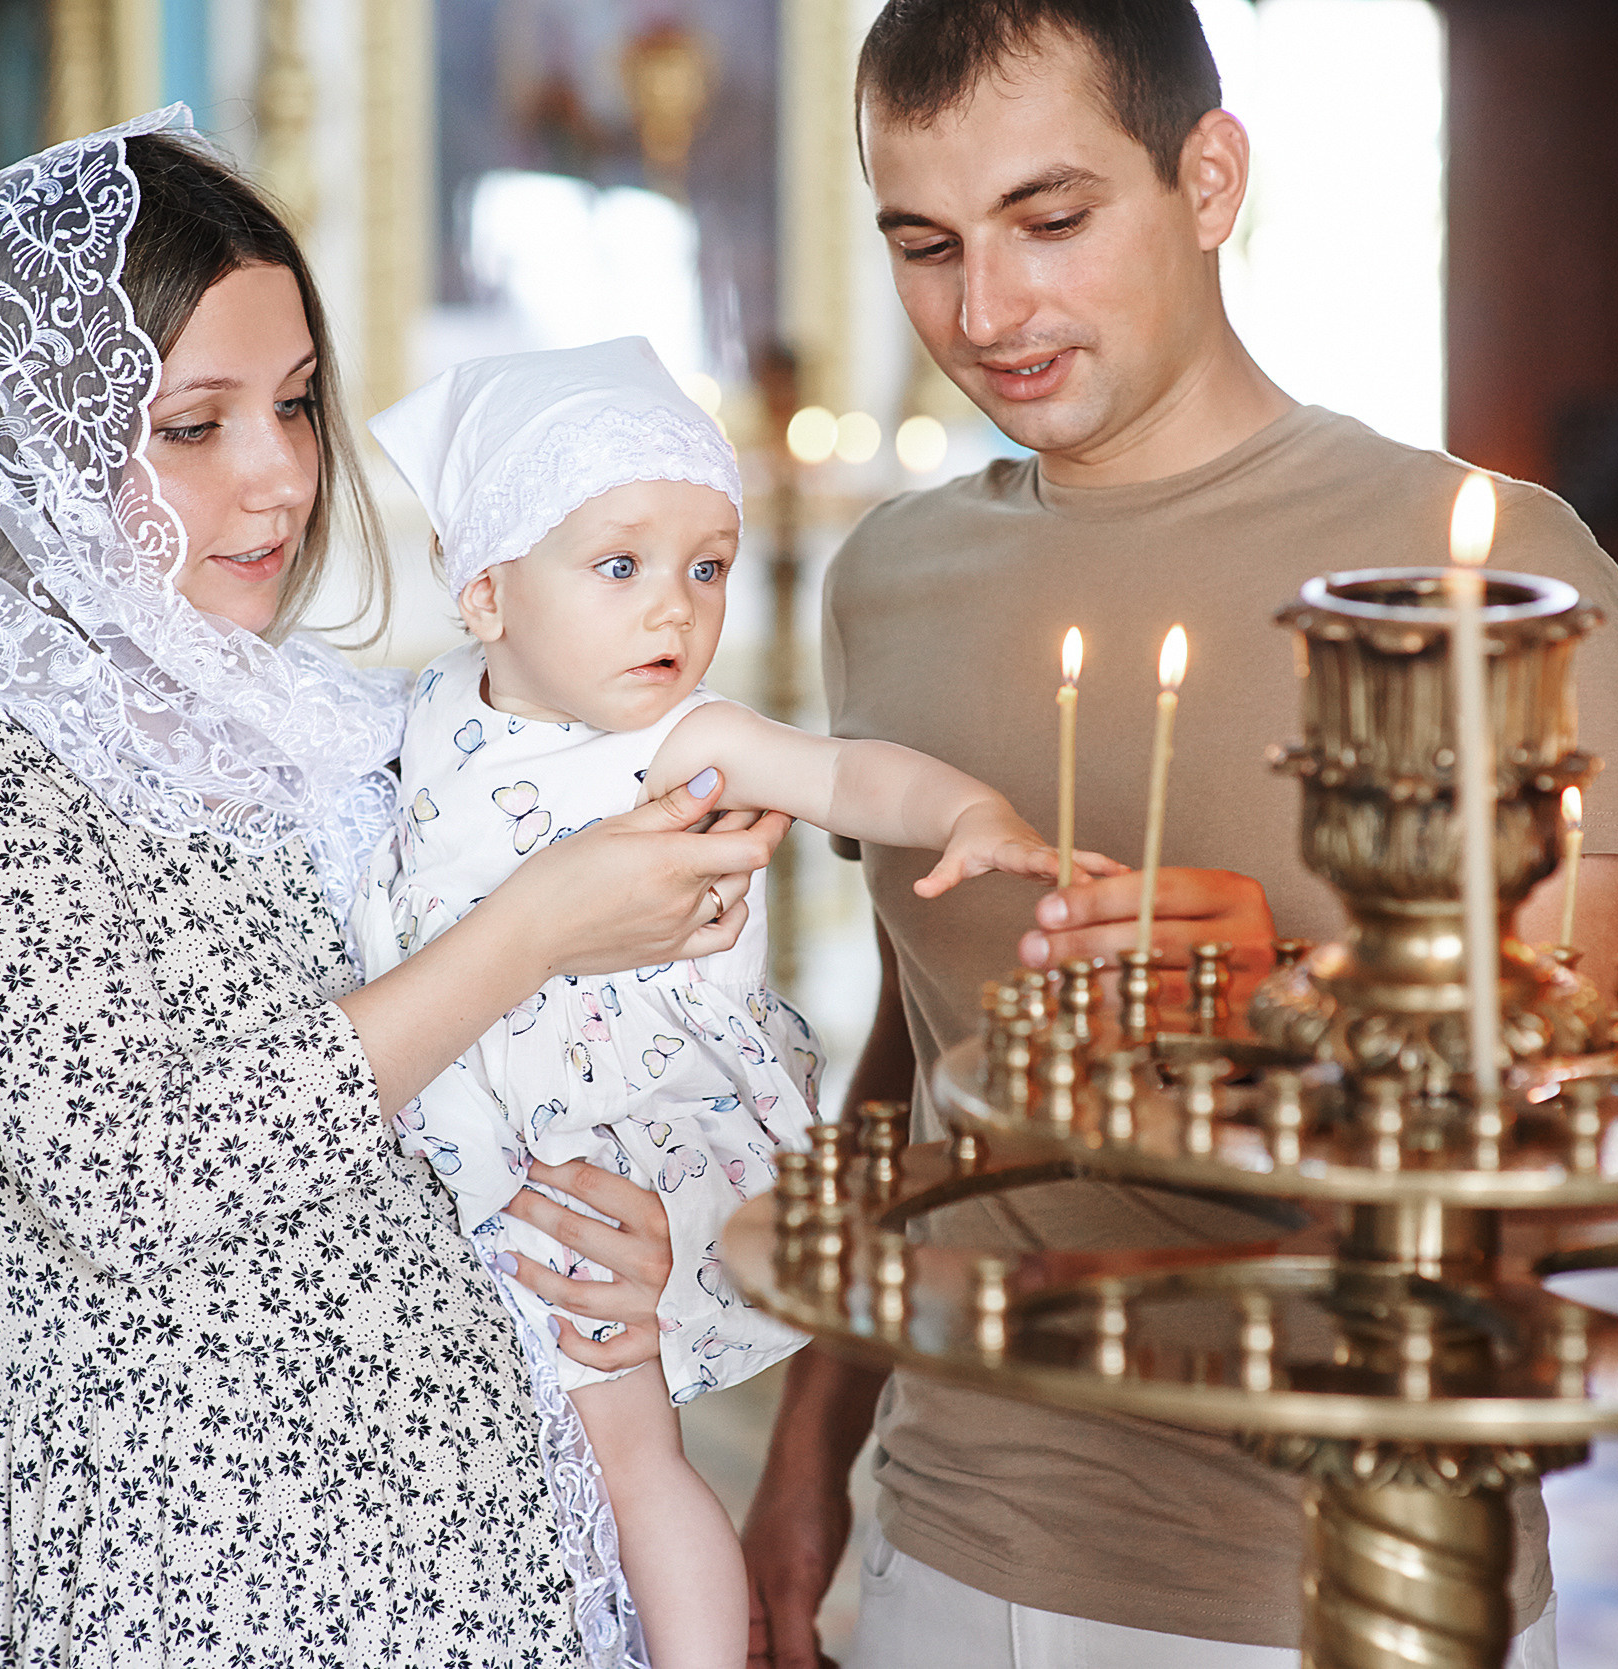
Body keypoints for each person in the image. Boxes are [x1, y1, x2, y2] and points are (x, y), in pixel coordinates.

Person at [741, 6, 1618, 1668]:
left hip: (1357, 1559)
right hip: (955, 1539)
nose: (988, 310)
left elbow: (1584, 1168)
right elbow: (922, 1050)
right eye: (926, 243)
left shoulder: (1484, 572)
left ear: (1210, 176)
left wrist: (1295, 991)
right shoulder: (885, 581)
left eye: (1053, 220)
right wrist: (812, 1449)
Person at [0, 109, 792, 1666]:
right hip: (202, 1584)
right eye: (194, 426)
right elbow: (139, 1173)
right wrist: (532, 923)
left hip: (503, 1565)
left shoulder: (334, 733)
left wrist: (644, 1220)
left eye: (295, 404)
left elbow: (604, 1056)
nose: (278, 477)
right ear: (40, 444)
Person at [357, 337, 1106, 1669]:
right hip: (441, 1160)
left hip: (600, 1156)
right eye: (623, 565)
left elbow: (847, 774)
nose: (675, 610)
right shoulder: (409, 727)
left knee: (634, 1452)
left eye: (707, 565)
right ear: (484, 590)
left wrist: (965, 811)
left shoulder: (680, 738)